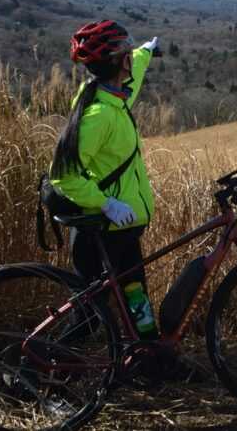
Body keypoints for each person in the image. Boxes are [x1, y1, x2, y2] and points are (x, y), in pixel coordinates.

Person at [49, 19, 160, 339]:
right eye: (127, 51)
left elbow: (133, 76)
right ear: (116, 62)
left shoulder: (112, 94)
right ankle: (41, 372)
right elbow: (63, 176)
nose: (131, 55)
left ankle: (149, 355)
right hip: (101, 231)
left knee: (136, 293)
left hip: (122, 230)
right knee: (89, 316)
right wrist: (106, 204)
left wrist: (145, 53)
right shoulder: (99, 115)